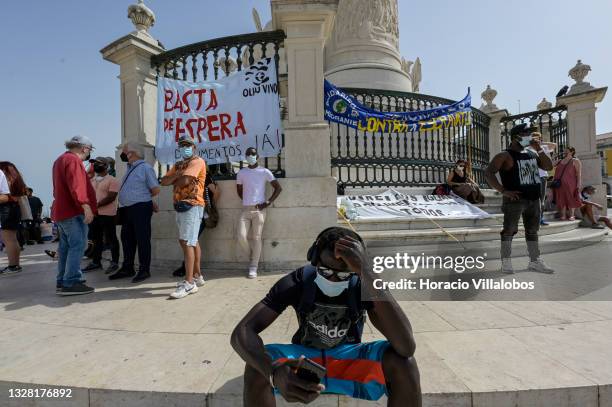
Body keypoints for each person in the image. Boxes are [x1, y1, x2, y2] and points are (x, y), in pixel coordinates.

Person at [231, 227, 421, 406]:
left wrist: (367, 273)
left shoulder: (363, 284)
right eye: (325, 271)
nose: (333, 278)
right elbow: (242, 332)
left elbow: (406, 346)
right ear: (314, 259)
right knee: (256, 365)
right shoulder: (299, 280)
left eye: (343, 274)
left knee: (404, 363)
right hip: (304, 362)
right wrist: (273, 372)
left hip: (349, 360)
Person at [485, 123, 555, 274]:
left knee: (532, 231)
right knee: (509, 231)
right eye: (526, 134)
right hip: (515, 200)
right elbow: (489, 173)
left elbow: (549, 167)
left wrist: (539, 149)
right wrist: (503, 191)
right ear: (517, 137)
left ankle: (535, 261)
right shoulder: (504, 155)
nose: (530, 137)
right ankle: (506, 261)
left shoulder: (533, 153)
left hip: (534, 199)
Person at [161, 135, 207, 299]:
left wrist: (177, 177)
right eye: (182, 145)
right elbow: (163, 181)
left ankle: (189, 284)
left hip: (192, 205)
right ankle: (197, 276)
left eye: (188, 145)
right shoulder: (180, 164)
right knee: (189, 240)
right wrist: (177, 175)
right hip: (181, 206)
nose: (184, 147)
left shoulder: (197, 162)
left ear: (194, 147)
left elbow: (184, 181)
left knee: (188, 241)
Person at [51, 136, 97, 295]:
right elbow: (76, 185)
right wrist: (86, 206)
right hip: (73, 212)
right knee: (78, 245)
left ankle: (62, 280)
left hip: (62, 211)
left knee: (65, 248)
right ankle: (71, 282)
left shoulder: (60, 160)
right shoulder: (74, 161)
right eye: (89, 150)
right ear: (85, 148)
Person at [110, 142, 160, 283]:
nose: (123, 154)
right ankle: (127, 268)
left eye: (125, 151)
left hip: (140, 208)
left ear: (132, 153)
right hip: (128, 209)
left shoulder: (145, 168)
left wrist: (145, 199)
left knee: (142, 239)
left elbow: (155, 189)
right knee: (127, 239)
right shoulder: (130, 168)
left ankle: (144, 270)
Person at [236, 147, 282, 278]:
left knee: (257, 238)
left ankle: (253, 266)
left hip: (259, 210)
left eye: (253, 154)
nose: (250, 156)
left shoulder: (264, 171)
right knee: (241, 236)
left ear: (257, 156)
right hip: (245, 209)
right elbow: (239, 190)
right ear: (245, 157)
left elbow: (278, 188)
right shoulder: (241, 173)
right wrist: (247, 200)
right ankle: (252, 255)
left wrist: (267, 202)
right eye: (248, 154)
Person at [172, 169, 220, 277]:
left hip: (200, 212)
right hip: (193, 211)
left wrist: (210, 205)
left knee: (191, 241)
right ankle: (193, 270)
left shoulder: (203, 175)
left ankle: (191, 270)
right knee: (191, 240)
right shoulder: (193, 174)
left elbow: (216, 191)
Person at [82, 157, 121, 274]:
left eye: (99, 163)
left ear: (106, 166)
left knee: (111, 238)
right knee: (96, 239)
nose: (96, 165)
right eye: (95, 163)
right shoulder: (92, 181)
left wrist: (96, 205)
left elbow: (111, 196)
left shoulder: (112, 180)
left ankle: (114, 262)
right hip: (95, 215)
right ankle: (96, 262)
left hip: (108, 214)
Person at [0, 162, 28, 275]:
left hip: (5, 209)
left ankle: (13, 265)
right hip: (14, 209)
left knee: (8, 240)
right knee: (13, 239)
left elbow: (5, 198)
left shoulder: (6, 183)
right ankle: (15, 265)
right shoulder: (16, 182)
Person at [525, 134, 556, 226]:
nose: (535, 139)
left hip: (542, 176)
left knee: (541, 200)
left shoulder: (544, 147)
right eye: (533, 137)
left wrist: (539, 143)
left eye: (537, 138)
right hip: (531, 177)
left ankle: (540, 219)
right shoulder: (527, 149)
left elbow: (554, 145)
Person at [553, 146, 582, 221]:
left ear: (572, 152)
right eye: (564, 151)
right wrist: (554, 157)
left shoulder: (575, 161)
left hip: (571, 183)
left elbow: (578, 174)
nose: (565, 152)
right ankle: (563, 215)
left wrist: (578, 184)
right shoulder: (559, 161)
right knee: (561, 198)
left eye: (567, 151)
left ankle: (572, 215)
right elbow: (550, 166)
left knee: (571, 198)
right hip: (559, 184)